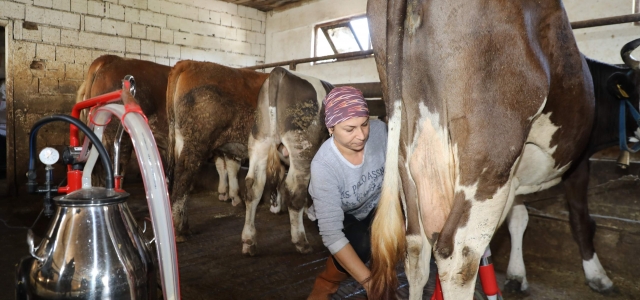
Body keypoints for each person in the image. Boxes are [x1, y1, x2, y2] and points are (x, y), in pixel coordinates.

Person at [307, 86, 387, 299]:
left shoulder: (380, 132)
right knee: (360, 243)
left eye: (364, 124)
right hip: (343, 215)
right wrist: (369, 284)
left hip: (374, 204)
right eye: (350, 129)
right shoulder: (324, 166)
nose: (361, 135)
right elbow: (332, 234)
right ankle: (326, 284)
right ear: (331, 127)